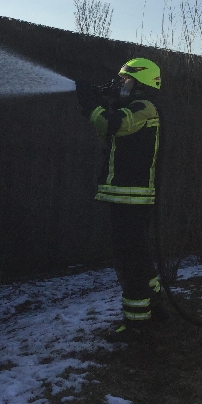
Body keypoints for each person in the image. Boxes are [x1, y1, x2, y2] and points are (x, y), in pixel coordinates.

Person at [75, 58, 166, 342]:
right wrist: (100, 102)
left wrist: (91, 103)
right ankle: (155, 303)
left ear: (141, 82)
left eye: (125, 80)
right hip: (128, 198)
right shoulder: (135, 107)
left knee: (130, 263)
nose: (120, 84)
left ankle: (137, 325)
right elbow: (107, 126)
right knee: (138, 257)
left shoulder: (144, 107)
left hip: (132, 198)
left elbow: (111, 124)